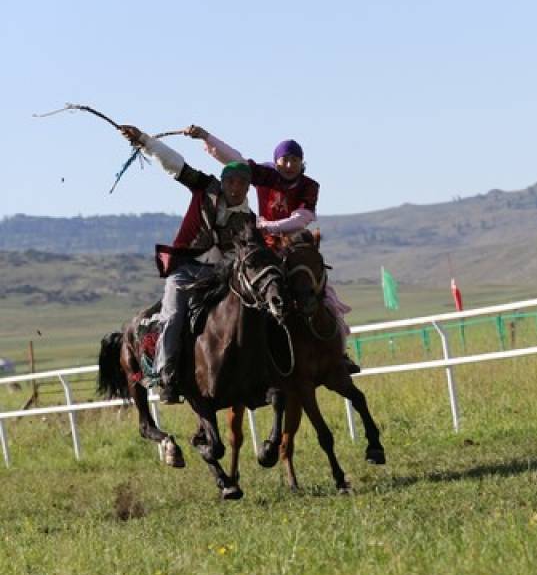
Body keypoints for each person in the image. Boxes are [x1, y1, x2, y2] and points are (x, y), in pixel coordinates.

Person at [185, 125, 359, 373]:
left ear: (302, 162)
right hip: (265, 249)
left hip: (296, 245)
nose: (290, 165)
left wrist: (269, 226)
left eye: (295, 160)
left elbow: (302, 217)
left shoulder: (310, 186)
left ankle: (339, 353)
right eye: (285, 159)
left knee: (324, 295)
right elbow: (235, 160)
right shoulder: (267, 175)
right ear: (277, 161)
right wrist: (206, 137)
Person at [119, 124, 256, 403]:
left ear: (247, 187)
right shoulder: (205, 187)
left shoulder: (248, 219)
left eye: (242, 184)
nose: (236, 188)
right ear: (223, 181)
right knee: (172, 316)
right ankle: (167, 376)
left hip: (221, 276)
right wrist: (144, 140)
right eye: (231, 182)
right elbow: (174, 164)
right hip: (186, 270)